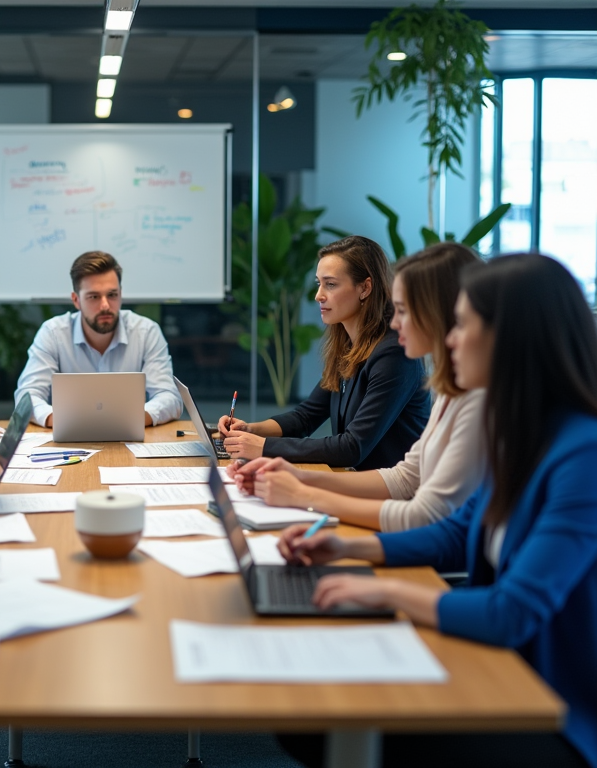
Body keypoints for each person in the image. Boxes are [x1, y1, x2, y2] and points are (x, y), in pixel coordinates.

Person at [276, 254, 597, 768]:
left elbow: (511, 613)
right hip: (500, 664)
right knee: (306, 711)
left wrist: (382, 589)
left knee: (316, 716)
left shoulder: (581, 455)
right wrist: (345, 546)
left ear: (513, 338)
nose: (450, 339)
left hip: (550, 706)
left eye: (464, 325)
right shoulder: (524, 432)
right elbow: (454, 532)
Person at [228, 243, 486, 531]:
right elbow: (404, 477)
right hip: (382, 502)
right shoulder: (452, 393)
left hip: (400, 521)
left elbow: (419, 508)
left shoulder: (399, 357)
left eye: (404, 310)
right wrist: (288, 469)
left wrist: (301, 491)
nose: (396, 323)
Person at [218, 235, 430, 470]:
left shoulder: (395, 353)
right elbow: (306, 416)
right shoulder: (348, 343)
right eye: (319, 283)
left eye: (330, 284)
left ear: (365, 288)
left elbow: (352, 448)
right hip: (355, 481)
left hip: (388, 494)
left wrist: (262, 447)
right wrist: (250, 430)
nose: (319, 295)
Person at [14, 250, 182, 427]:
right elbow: (27, 396)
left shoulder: (146, 332)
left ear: (121, 294)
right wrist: (57, 419)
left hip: (131, 438)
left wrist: (135, 418)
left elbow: (169, 397)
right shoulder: (53, 333)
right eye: (94, 297)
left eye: (112, 295)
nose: (105, 305)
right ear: (76, 300)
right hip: (69, 439)